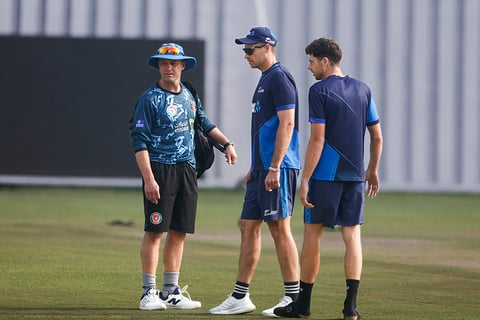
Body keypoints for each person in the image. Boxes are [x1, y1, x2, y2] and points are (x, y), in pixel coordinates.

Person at [273, 38, 383, 320]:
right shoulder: (364, 89)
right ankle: (350, 307)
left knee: (313, 235)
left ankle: (304, 305)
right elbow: (377, 136)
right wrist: (372, 169)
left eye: (311, 61)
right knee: (352, 236)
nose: (308, 67)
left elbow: (317, 140)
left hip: (325, 176)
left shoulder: (319, 91)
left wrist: (305, 179)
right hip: (356, 176)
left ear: (325, 61)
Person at [129, 42, 238, 311]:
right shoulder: (148, 99)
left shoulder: (188, 94)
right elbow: (139, 142)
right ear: (158, 66)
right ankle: (148, 293)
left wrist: (226, 144)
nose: (169, 67)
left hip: (187, 169)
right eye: (164, 63)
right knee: (155, 231)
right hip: (160, 170)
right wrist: (150, 179)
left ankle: (171, 292)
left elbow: (204, 122)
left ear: (182, 66)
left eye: (174, 63)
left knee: (179, 231)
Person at [209, 27, 301, 317]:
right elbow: (266, 130)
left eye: (250, 50)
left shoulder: (280, 78)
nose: (246, 55)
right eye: (244, 50)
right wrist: (256, 167)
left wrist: (274, 166)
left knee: (279, 228)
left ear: (267, 47)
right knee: (247, 226)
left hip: (279, 168)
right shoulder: (264, 80)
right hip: (262, 170)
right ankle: (240, 296)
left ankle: (293, 298)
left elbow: (287, 125)